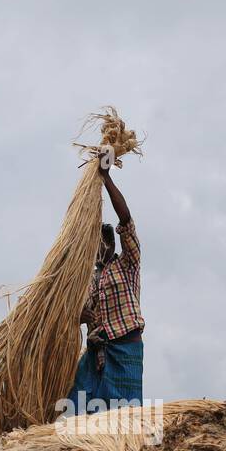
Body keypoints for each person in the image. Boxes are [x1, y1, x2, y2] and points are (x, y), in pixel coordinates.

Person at [69, 157, 143, 414]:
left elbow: (126, 220)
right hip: (96, 353)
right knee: (75, 407)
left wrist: (106, 178)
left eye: (103, 243)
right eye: (94, 245)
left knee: (124, 414)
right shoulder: (88, 280)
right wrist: (81, 315)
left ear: (112, 244)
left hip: (124, 350)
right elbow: (73, 316)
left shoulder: (127, 265)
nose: (99, 248)